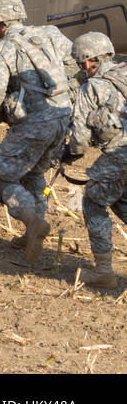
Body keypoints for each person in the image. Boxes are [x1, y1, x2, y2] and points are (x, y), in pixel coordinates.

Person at [0, 0, 75, 262]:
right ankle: (34, 231)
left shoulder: (5, 47)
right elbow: (76, 63)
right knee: (34, 173)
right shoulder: (51, 34)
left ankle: (32, 221)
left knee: (2, 178)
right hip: (62, 119)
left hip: (34, 124)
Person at [67, 31, 127, 290]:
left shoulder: (91, 88)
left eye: (83, 63)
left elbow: (79, 139)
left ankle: (104, 272)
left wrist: (69, 154)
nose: (83, 69)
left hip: (120, 153)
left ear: (93, 61)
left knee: (93, 200)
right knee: (120, 199)